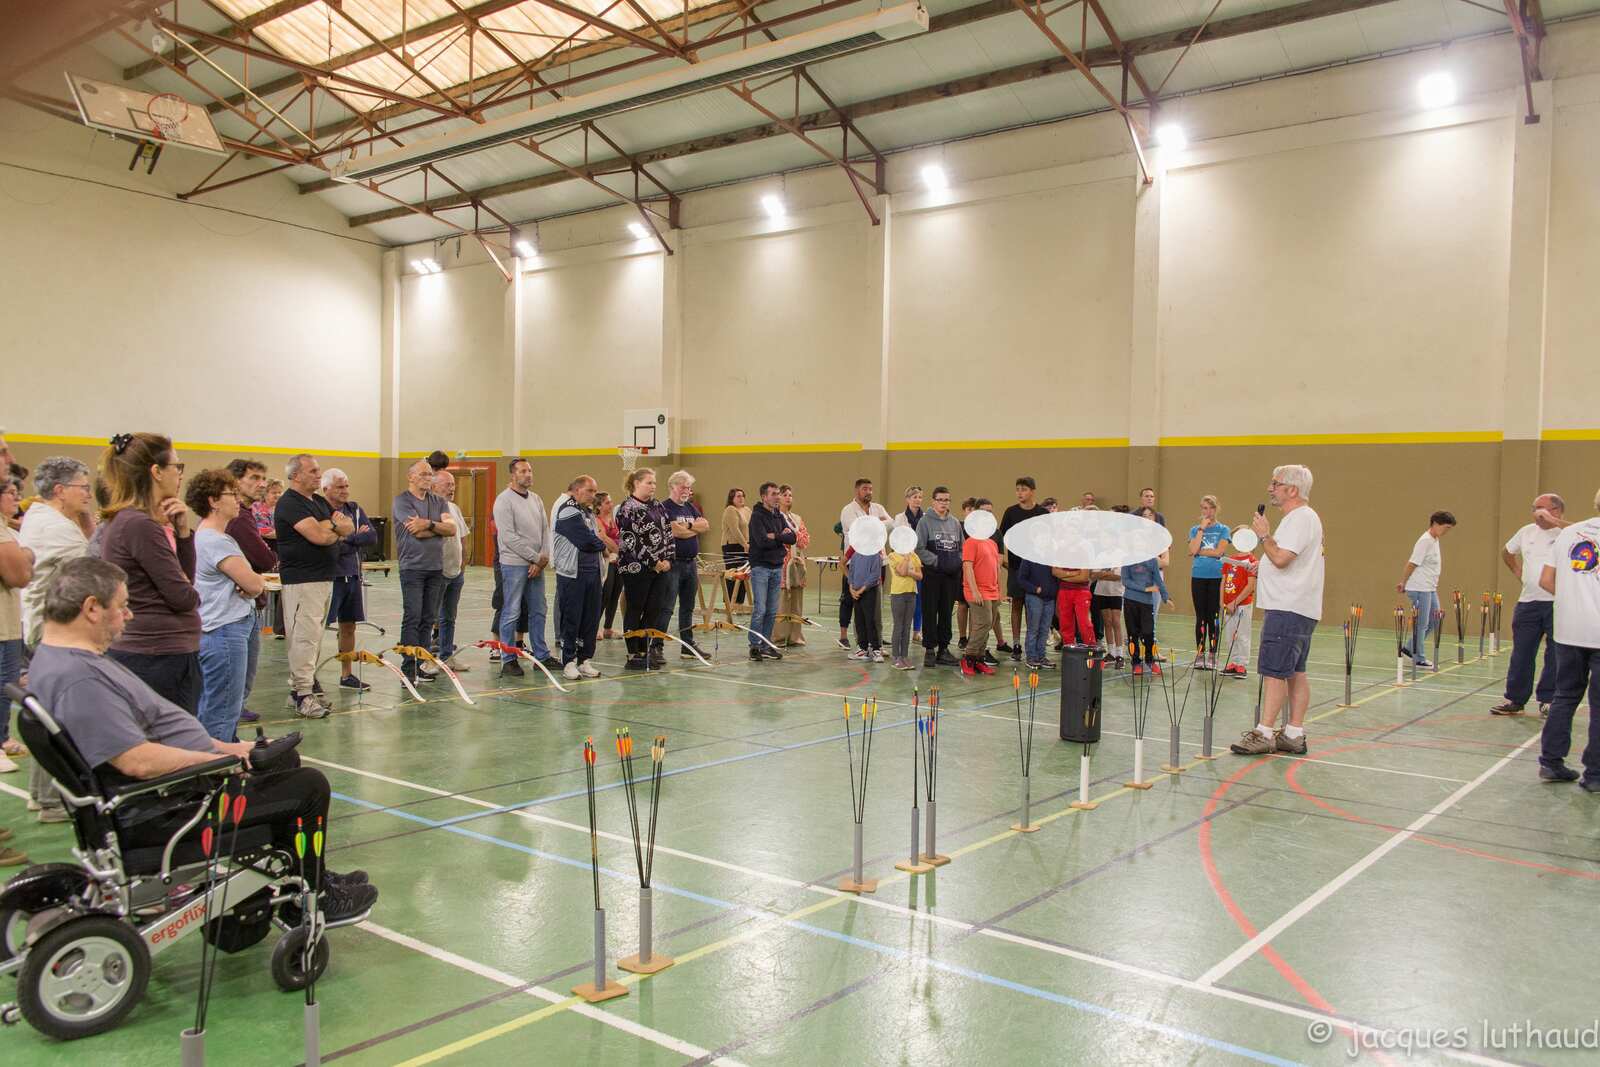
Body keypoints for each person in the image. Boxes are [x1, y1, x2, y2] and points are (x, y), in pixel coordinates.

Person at [27, 556, 377, 920]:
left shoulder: (58, 660)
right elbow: (137, 760)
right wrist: (219, 761)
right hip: (163, 811)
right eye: (123, 607)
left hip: (160, 797)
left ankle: (307, 878)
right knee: (308, 786)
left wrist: (230, 748)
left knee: (279, 759)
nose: (128, 616)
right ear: (91, 609)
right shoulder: (80, 680)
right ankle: (310, 901)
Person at [97, 432, 202, 713]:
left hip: (156, 653)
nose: (179, 475)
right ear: (156, 472)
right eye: (176, 467)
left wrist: (182, 534)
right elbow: (184, 596)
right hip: (157, 657)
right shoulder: (139, 525)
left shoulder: (130, 522)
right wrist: (189, 593)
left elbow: (184, 581)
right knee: (175, 748)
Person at [19, 456, 94, 820]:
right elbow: (97, 572)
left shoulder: (39, 516)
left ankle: (42, 794)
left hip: (41, 627)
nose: (89, 495)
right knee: (66, 714)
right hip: (55, 630)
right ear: (60, 490)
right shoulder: (58, 529)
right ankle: (51, 800)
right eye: (84, 487)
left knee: (51, 712)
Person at [1231, 465, 1324, 756]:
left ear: (1292, 490)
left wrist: (1263, 536)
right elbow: (1282, 559)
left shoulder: (1299, 518)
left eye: (1276, 483)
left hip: (1287, 607)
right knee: (1295, 671)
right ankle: (1294, 733)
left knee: (1275, 672)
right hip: (1299, 607)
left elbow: (1282, 557)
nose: (1270, 488)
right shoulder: (1303, 519)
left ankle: (1264, 732)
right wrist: (1264, 565)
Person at [187, 469, 265, 742]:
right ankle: (217, 774)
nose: (238, 500)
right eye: (231, 494)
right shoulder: (215, 541)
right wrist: (252, 581)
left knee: (217, 705)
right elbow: (254, 585)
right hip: (225, 630)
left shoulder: (207, 537)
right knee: (222, 711)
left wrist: (249, 581)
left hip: (223, 627)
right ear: (213, 501)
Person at [275, 454, 352, 718]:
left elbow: (348, 526)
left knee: (316, 638)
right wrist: (333, 528)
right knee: (304, 638)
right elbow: (319, 536)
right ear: (296, 475)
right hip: (302, 580)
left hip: (324, 578)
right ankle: (303, 695)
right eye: (313, 471)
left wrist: (331, 527)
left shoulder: (318, 501)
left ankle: (300, 689)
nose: (319, 475)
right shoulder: (289, 504)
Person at [1537, 493, 1600, 787]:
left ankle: (1551, 762)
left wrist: (1573, 602)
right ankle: (1595, 775)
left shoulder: (1568, 534)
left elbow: (1546, 581)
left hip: (1568, 631)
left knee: (1564, 696)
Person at [1492, 494, 1569, 716]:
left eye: (1541, 508)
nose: (1536, 512)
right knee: (1522, 653)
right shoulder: (1526, 532)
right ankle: (1515, 699)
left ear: (1556, 510)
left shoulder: (1567, 533)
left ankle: (1548, 699)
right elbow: (1507, 552)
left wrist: (1558, 524)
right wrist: (1519, 572)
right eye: (1534, 508)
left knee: (1555, 654)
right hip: (1528, 603)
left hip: (1557, 603)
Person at [224, 460, 278, 725]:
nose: (261, 484)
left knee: (246, 667)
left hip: (249, 599)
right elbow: (263, 557)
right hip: (239, 604)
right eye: (254, 478)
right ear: (235, 482)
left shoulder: (246, 514)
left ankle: (236, 707)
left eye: (263, 478)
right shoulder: (238, 519)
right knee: (239, 670)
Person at [392, 460, 455, 684]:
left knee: (428, 618)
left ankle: (422, 664)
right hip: (412, 569)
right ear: (411, 477)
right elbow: (414, 532)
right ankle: (408, 668)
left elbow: (451, 528)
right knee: (413, 617)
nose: (428, 478)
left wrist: (428, 524)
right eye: (423, 474)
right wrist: (437, 528)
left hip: (435, 568)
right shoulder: (402, 501)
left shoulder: (438, 501)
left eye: (430, 474)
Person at [493, 458, 556, 678]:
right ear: (513, 475)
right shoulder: (503, 501)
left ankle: (541, 655)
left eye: (530, 470)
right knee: (511, 611)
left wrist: (543, 557)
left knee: (539, 609)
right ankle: (508, 658)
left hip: (536, 565)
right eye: (522, 471)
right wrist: (535, 558)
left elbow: (544, 530)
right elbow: (509, 537)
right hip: (514, 565)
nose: (528, 474)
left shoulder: (536, 499)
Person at [321, 468, 377, 690]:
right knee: (318, 628)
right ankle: (309, 678)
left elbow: (371, 536)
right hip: (329, 577)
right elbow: (328, 545)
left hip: (352, 575)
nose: (345, 491)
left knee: (349, 627)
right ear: (326, 489)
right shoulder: (319, 511)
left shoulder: (354, 510)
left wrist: (347, 537)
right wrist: (353, 538)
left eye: (346, 486)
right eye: (340, 487)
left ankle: (346, 675)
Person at [552, 476, 612, 680]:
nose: (594, 496)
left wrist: (599, 543)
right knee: (572, 617)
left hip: (592, 573)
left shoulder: (588, 513)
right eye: (590, 491)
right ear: (576, 491)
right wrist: (603, 546)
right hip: (572, 574)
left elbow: (595, 537)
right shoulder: (568, 510)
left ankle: (584, 659)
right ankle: (568, 661)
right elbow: (586, 540)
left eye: (596, 492)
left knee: (590, 618)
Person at [617, 468, 674, 671]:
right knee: (635, 608)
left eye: (654, 483)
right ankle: (633, 653)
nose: (653, 486)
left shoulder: (657, 505)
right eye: (649, 482)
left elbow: (668, 532)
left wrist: (668, 559)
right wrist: (653, 562)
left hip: (660, 569)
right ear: (636, 483)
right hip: (636, 568)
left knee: (654, 610)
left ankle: (645, 650)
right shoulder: (627, 508)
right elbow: (630, 540)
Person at [0, 475, 33, 773]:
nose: (16, 498)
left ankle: (3, 739)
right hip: (2, 624)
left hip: (10, 619)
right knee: (3, 683)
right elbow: (19, 575)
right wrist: (26, 555)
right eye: (10, 493)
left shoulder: (9, 528)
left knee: (5, 681)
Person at [1397, 510, 1456, 670]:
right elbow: (1412, 563)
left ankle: (1409, 647)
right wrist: (1403, 582)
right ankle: (1418, 657)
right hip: (1419, 588)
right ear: (1435, 524)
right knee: (1421, 623)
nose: (1446, 531)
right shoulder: (1425, 541)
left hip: (1429, 588)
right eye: (1445, 527)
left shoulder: (1434, 539)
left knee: (1435, 619)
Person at [662, 471, 710, 660]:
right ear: (673, 486)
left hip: (691, 564)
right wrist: (693, 529)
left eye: (689, 487)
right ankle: (656, 645)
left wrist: (688, 528)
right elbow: (675, 531)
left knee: (688, 606)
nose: (687, 491)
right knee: (666, 606)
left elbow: (705, 526)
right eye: (683, 486)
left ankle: (687, 644)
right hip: (674, 564)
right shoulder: (665, 508)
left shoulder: (690, 508)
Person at [838, 479, 891, 649]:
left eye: (870, 489)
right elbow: (859, 529)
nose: (868, 491)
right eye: (864, 489)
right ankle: (861, 641)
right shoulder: (848, 510)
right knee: (854, 600)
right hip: (856, 562)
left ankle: (877, 639)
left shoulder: (878, 508)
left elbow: (891, 525)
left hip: (878, 560)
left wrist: (876, 524)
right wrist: (878, 524)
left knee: (875, 602)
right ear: (856, 491)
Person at [915, 487, 963, 668]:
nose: (944, 503)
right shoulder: (924, 522)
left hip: (951, 576)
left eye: (947, 500)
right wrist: (936, 561)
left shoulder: (955, 523)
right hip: (932, 575)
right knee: (930, 611)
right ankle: (929, 650)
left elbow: (961, 548)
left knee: (946, 613)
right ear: (933, 501)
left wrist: (955, 562)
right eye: (940, 500)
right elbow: (919, 548)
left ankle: (944, 649)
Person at [747, 481, 795, 662]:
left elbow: (792, 538)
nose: (777, 497)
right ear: (764, 497)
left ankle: (766, 645)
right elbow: (761, 541)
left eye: (778, 493)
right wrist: (780, 537)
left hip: (777, 567)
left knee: (772, 610)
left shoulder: (779, 515)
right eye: (773, 494)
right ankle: (754, 646)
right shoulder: (757, 517)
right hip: (761, 567)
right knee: (760, 609)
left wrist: (775, 535)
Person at [1000, 477, 1043, 662]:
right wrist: (1003, 561)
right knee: (1016, 605)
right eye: (1017, 489)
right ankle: (1016, 644)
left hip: (1036, 570)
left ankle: (1031, 645)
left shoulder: (1041, 512)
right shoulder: (1010, 512)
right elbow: (1001, 538)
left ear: (1032, 491)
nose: (1019, 493)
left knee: (1033, 607)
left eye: (1023, 489)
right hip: (1017, 567)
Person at [431, 469, 471, 672]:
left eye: (453, 484)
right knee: (429, 618)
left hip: (456, 573)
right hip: (437, 572)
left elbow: (463, 536)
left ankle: (447, 657)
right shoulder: (429, 508)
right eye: (447, 484)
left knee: (449, 617)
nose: (452, 487)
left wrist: (464, 561)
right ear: (434, 486)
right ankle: (426, 660)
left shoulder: (454, 508)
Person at [1121, 520, 1170, 675]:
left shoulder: (1152, 560)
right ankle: (1136, 662)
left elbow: (1158, 580)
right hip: (1130, 601)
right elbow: (1125, 581)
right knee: (1132, 634)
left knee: (1148, 633)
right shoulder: (1128, 559)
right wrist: (1144, 588)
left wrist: (1165, 596)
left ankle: (1150, 660)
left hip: (1147, 603)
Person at [1188, 495, 1232, 669]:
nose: (1207, 512)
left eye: (1210, 508)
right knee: (1201, 617)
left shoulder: (1223, 529)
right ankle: (1200, 653)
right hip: (1198, 576)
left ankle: (1213, 654)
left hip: (1215, 576)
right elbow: (1192, 549)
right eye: (1204, 508)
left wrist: (1201, 551)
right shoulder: (1195, 530)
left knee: (1213, 616)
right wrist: (1201, 529)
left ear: (1216, 509)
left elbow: (1219, 552)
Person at [961, 518, 1000, 677]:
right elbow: (967, 566)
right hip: (977, 591)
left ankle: (979, 658)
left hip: (992, 591)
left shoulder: (992, 543)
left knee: (989, 624)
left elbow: (995, 567)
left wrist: (999, 590)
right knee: (982, 623)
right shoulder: (971, 542)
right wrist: (974, 590)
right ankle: (969, 657)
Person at [774, 485, 810, 647]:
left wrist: (793, 536)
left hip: (796, 562)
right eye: (784, 495)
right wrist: (791, 537)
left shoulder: (796, 518)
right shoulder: (774, 517)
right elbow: (780, 538)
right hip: (782, 562)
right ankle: (779, 637)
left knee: (796, 600)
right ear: (778, 498)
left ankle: (795, 636)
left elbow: (804, 539)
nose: (788, 497)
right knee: (782, 601)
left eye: (790, 495)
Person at [1219, 543, 1259, 678]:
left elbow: (1250, 586)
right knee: (1230, 634)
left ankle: (1241, 664)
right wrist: (1222, 601)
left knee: (1242, 634)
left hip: (1243, 604)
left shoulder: (1252, 561)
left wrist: (1235, 602)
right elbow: (1223, 581)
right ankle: (1233, 662)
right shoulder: (1229, 560)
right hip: (1228, 605)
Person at [886, 529, 921, 670]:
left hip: (911, 593)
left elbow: (920, 576)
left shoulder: (914, 556)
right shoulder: (892, 556)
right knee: (898, 626)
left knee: (907, 627)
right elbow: (900, 571)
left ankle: (905, 656)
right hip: (898, 594)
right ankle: (896, 657)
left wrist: (910, 572)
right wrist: (906, 559)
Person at [894, 486, 924, 646]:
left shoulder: (925, 517)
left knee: (919, 599)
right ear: (907, 499)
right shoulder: (900, 518)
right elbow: (897, 539)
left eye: (920, 497)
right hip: (904, 561)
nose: (917, 500)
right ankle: (901, 630)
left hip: (920, 561)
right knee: (904, 596)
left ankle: (916, 632)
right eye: (914, 497)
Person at [846, 533, 884, 663]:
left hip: (868, 592)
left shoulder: (875, 556)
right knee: (859, 620)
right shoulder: (856, 556)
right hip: (856, 593)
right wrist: (851, 588)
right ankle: (862, 648)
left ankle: (876, 649)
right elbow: (851, 573)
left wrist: (862, 589)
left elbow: (875, 575)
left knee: (870, 620)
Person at [1016, 554, 1058, 670]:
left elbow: (1057, 576)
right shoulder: (1029, 558)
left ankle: (1041, 656)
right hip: (1035, 597)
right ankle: (1031, 657)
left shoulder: (1051, 558)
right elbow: (1021, 579)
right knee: (1033, 628)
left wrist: (1054, 592)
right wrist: (1034, 589)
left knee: (1044, 629)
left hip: (1049, 599)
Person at [597, 492, 623, 640]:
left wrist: (619, 553)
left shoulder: (613, 519)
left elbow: (619, 537)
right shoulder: (597, 520)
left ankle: (608, 628)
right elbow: (604, 538)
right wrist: (617, 550)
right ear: (599, 505)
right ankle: (594, 627)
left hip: (617, 561)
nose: (611, 505)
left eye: (611, 502)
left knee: (615, 594)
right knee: (605, 595)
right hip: (607, 561)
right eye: (607, 502)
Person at [720, 488, 750, 611]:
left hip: (746, 545)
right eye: (738, 496)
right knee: (733, 574)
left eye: (742, 496)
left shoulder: (747, 510)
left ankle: (739, 603)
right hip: (732, 545)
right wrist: (745, 544)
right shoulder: (730, 510)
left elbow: (753, 526)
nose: (741, 498)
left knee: (743, 574)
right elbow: (734, 529)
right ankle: (729, 603)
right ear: (732, 498)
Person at [1053, 564, 1094, 647]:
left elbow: (1083, 577)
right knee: (1065, 624)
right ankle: (1068, 649)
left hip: (1081, 591)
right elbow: (1055, 572)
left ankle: (1091, 648)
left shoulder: (1083, 553)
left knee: (1084, 623)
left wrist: (1064, 576)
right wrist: (1074, 573)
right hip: (1064, 591)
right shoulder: (1061, 553)